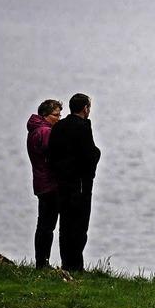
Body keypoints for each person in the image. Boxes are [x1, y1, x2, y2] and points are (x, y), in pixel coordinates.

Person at [48, 93, 101, 272]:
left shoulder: (59, 126)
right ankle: (76, 265)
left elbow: (51, 155)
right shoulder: (83, 127)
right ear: (85, 108)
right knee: (79, 226)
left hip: (62, 183)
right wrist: (98, 153)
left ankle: (66, 263)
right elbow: (90, 155)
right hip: (80, 185)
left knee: (65, 225)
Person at [26, 99, 63, 269]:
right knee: (47, 226)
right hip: (50, 183)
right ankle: (43, 263)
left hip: (40, 182)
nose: (59, 118)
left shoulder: (34, 131)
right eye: (56, 115)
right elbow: (54, 156)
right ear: (44, 115)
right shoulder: (46, 132)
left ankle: (40, 261)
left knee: (43, 224)